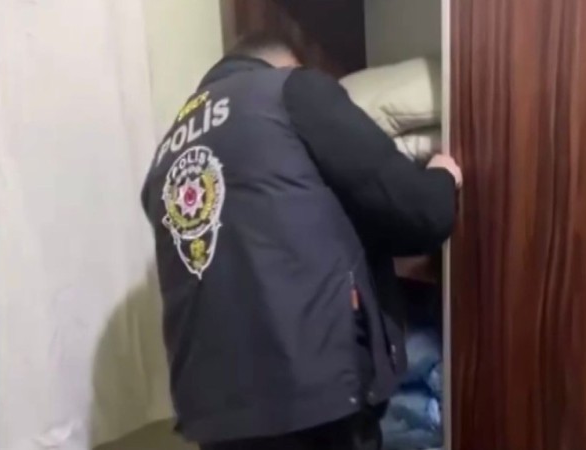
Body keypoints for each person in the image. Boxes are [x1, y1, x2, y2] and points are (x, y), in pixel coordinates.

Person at [140, 33, 462, 450]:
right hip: (313, 396)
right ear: (287, 65)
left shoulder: (165, 155)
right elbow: (419, 215)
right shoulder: (290, 90)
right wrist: (441, 176)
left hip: (212, 413)